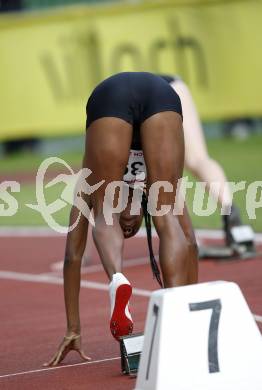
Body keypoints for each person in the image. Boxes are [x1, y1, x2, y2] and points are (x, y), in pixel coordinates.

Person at [44, 72, 198, 367]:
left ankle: (117, 277)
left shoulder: (88, 183)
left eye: (126, 229)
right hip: (159, 93)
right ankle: (179, 317)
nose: (128, 227)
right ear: (142, 211)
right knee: (166, 217)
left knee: (105, 214)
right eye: (132, 228)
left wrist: (74, 328)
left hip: (110, 96)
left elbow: (73, 255)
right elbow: (189, 241)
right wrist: (192, 302)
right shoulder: (157, 189)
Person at [159, 75, 242, 246]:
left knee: (168, 170)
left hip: (149, 100)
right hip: (174, 84)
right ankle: (231, 214)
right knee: (199, 159)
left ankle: (183, 233)